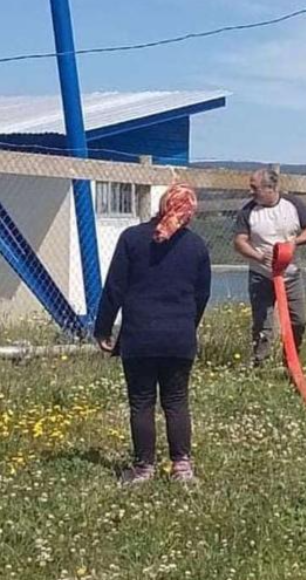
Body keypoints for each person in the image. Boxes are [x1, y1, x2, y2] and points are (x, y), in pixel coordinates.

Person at [94, 183, 212, 485]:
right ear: (190, 211)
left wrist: (104, 328)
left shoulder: (132, 239)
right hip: (179, 337)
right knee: (176, 401)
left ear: (162, 205)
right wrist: (188, 324)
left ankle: (143, 467)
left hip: (139, 335)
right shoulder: (197, 245)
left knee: (142, 401)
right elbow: (202, 295)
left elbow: (115, 288)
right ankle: (182, 467)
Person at [233, 168, 306, 365]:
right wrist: (258, 256)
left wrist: (295, 242)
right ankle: (260, 363)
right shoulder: (248, 211)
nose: (251, 192)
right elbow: (239, 241)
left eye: (255, 188)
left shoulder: (293, 204)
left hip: (290, 274)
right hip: (261, 275)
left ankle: (292, 359)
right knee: (263, 324)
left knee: (299, 320)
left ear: (270, 188)